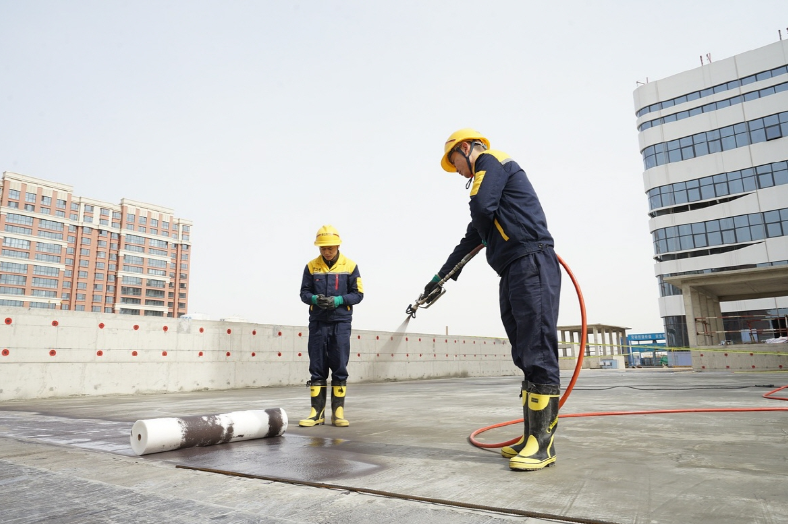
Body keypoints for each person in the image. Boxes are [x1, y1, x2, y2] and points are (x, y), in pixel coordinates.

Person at [424, 129, 561, 471]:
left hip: (532, 261)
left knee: (537, 349)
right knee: (524, 352)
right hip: (513, 269)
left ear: (466, 148)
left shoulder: (491, 161)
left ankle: (543, 446)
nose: (455, 169)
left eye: (454, 160)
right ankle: (532, 435)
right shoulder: (489, 193)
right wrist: (439, 278)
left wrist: (480, 213)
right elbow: (471, 238)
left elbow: (482, 207)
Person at [299, 225, 364, 428]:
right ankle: (316, 413)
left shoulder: (350, 266)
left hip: (341, 323)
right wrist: (315, 299)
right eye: (323, 248)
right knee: (317, 367)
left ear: (337, 245)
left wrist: (339, 300)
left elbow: (358, 294)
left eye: (330, 248)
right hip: (318, 322)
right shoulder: (311, 267)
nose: (326, 251)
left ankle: (338, 413)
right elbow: (304, 293)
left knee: (339, 366)